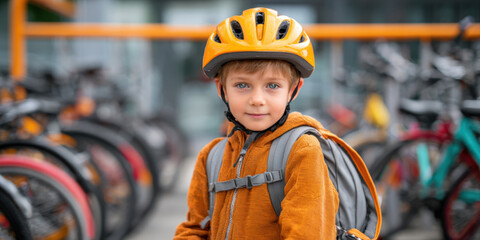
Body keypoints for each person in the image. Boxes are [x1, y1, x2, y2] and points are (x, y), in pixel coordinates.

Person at [174, 7, 339, 239]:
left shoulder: (303, 151)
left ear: (293, 90)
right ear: (222, 89)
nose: (257, 100)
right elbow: (194, 229)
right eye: (242, 85)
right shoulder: (211, 157)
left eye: (272, 86)